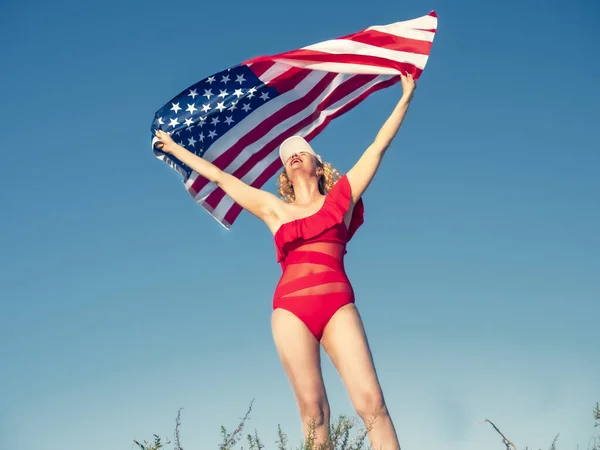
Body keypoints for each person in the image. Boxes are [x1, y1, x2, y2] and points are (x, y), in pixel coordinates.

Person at [154, 73, 417, 450]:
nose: (293, 153)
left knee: (372, 404)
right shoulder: (274, 209)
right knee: (314, 412)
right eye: (287, 154)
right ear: (285, 174)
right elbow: (221, 178)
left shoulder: (342, 198)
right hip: (291, 310)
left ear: (317, 164)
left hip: (337, 304)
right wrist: (175, 148)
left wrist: (405, 96)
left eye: (302, 150)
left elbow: (378, 146)